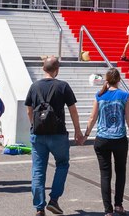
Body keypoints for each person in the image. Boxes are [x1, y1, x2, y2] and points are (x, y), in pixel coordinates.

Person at [25, 56, 84, 216]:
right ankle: (54, 200)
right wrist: (78, 130)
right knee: (62, 164)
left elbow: (29, 109)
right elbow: (73, 110)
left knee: (38, 170)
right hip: (58, 133)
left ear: (43, 68)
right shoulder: (63, 86)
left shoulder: (34, 86)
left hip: (38, 134)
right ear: (57, 69)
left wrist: (33, 125)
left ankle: (39, 208)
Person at [82, 68, 129, 216]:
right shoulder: (125, 96)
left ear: (107, 79)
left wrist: (86, 135)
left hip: (102, 139)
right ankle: (118, 205)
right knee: (120, 172)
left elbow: (92, 118)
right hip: (119, 139)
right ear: (119, 80)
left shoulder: (100, 95)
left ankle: (108, 210)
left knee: (105, 175)